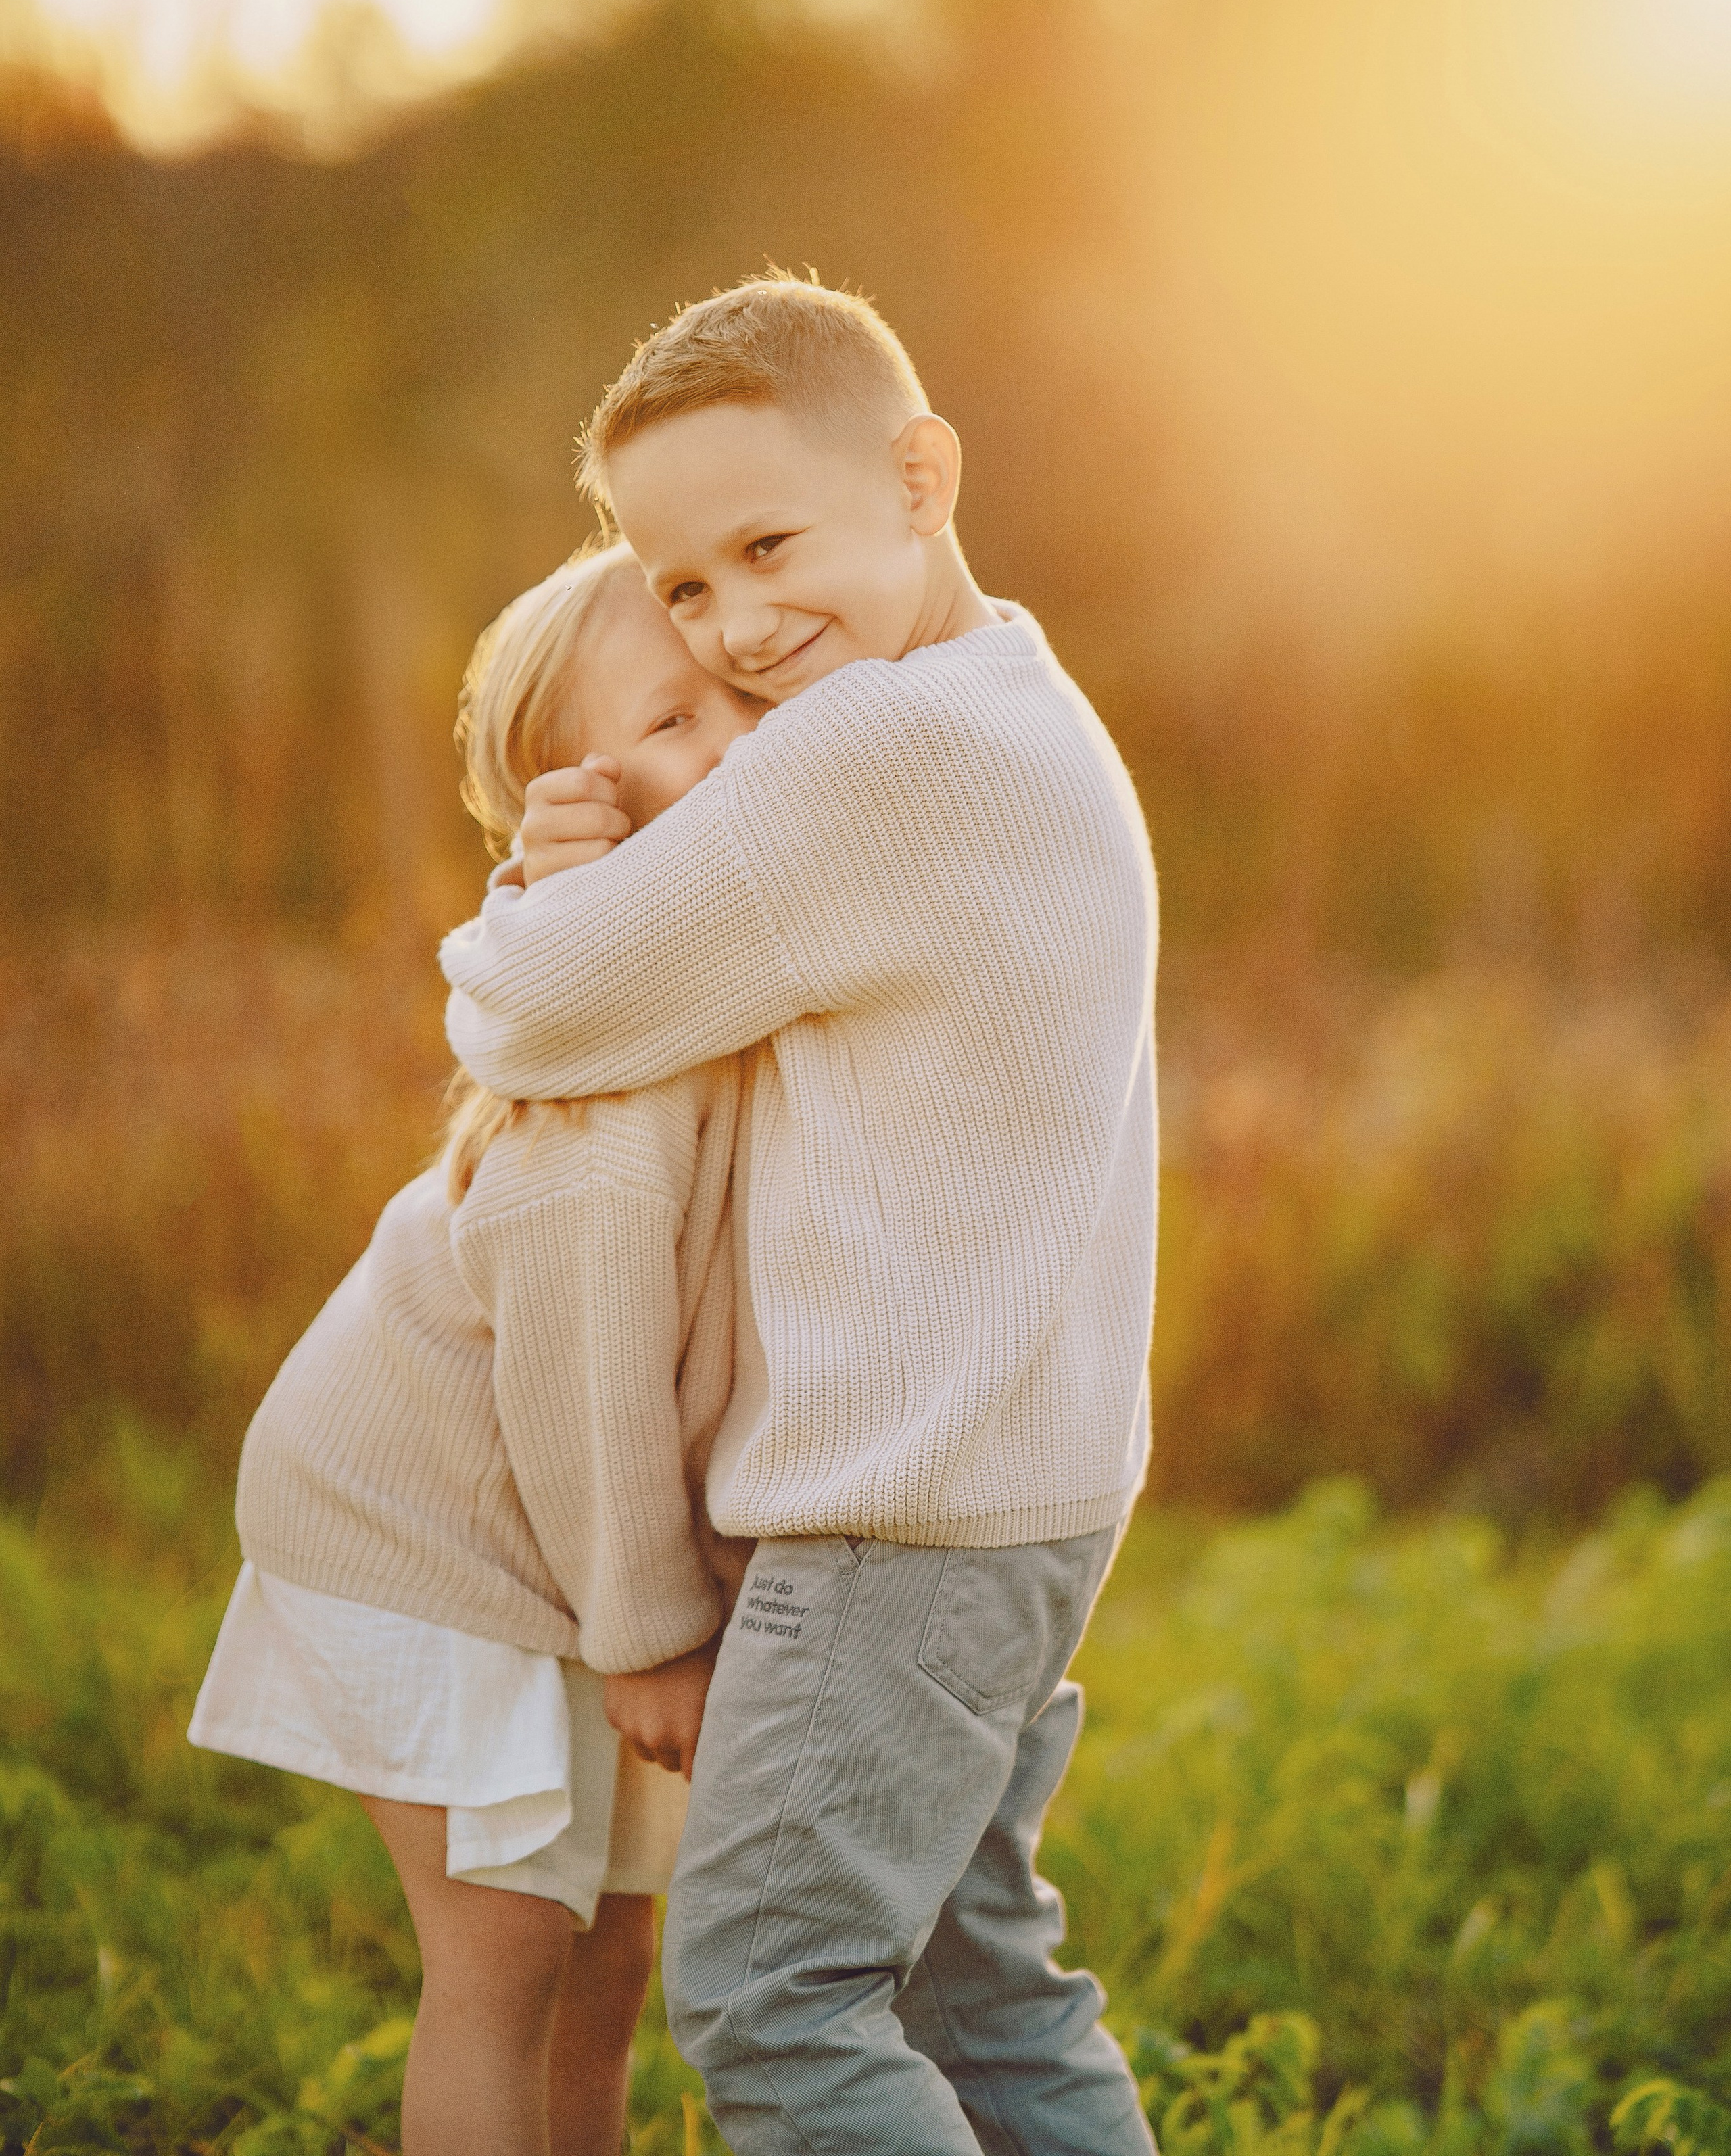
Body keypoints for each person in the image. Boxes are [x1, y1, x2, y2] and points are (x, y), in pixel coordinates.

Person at [442, 274, 1161, 2155]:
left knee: (771, 1993)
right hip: (1025, 1498)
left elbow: (534, 1012)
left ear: (920, 475)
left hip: (893, 1519)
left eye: (771, 545)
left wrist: (535, 886)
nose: (742, 627)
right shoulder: (1029, 710)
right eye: (680, 590)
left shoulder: (879, 752)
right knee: (974, 1984)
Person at [189, 544, 759, 2156]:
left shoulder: (710, 937)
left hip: (556, 1526)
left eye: (739, 694)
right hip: (420, 1516)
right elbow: (580, 1359)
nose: (723, 736)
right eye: (667, 717)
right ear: (576, 798)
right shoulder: (606, 1061)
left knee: (612, 1956)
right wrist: (646, 1632)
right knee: (504, 1952)